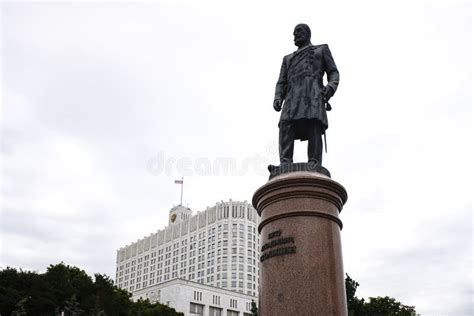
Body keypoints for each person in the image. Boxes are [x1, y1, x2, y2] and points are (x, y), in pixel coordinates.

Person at [274, 23, 339, 165]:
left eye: (299, 31)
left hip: (312, 94)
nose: (295, 35)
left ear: (308, 33)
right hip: (291, 97)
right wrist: (278, 97)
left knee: (313, 123)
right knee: (285, 124)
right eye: (294, 33)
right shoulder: (287, 59)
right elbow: (281, 82)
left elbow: (333, 72)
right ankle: (285, 163)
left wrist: (330, 87)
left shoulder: (321, 50)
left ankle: (314, 162)